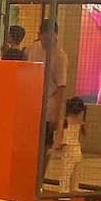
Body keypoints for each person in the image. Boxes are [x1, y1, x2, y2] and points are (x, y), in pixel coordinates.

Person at [28, 18, 68, 148]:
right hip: (31, 102)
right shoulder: (31, 49)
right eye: (45, 39)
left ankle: (41, 168)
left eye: (51, 39)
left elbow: (61, 88)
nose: (47, 43)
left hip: (49, 105)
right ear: (39, 35)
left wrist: (57, 115)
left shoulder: (60, 56)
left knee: (45, 145)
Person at [58, 96, 87, 194]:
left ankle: (64, 190)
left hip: (68, 147)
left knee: (65, 171)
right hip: (77, 148)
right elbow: (85, 133)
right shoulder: (79, 121)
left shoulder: (65, 120)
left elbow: (61, 136)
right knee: (75, 171)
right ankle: (74, 187)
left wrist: (56, 146)